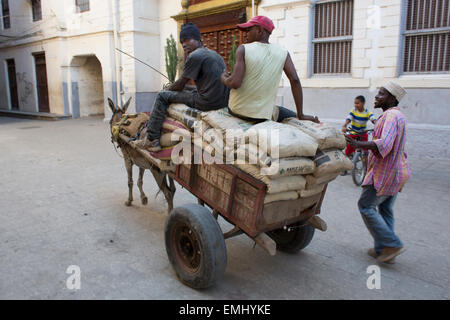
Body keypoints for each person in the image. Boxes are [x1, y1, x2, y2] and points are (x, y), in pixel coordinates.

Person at [345, 81, 410, 263]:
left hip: (384, 173)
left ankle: (392, 244)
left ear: (391, 98)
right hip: (397, 172)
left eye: (381, 94)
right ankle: (384, 250)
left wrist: (358, 144)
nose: (376, 97)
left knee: (365, 206)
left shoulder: (390, 117)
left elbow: (385, 143)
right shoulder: (398, 116)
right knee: (385, 208)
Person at [144, 23, 230, 151]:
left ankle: (152, 138)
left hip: (207, 102)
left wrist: (166, 90)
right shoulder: (214, 54)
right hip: (222, 101)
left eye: (187, 39)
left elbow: (180, 84)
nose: (184, 44)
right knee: (189, 89)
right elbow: (186, 86)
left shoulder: (195, 56)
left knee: (162, 96)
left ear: (198, 40)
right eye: (182, 42)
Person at [220, 15, 319, 124]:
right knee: (289, 114)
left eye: (248, 30)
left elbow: (235, 83)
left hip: (237, 110)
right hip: (263, 116)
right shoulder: (283, 53)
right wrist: (301, 114)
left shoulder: (244, 49)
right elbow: (295, 80)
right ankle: (306, 118)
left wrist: (224, 78)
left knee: (280, 110)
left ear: (259, 30)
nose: (245, 34)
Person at [340, 95, 375, 175]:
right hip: (353, 132)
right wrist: (345, 125)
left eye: (358, 103)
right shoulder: (354, 111)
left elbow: (372, 118)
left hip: (363, 134)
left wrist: (376, 123)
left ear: (363, 103)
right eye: (355, 103)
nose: (356, 105)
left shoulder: (367, 112)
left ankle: (366, 170)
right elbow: (349, 118)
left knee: (366, 152)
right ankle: (344, 168)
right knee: (348, 151)